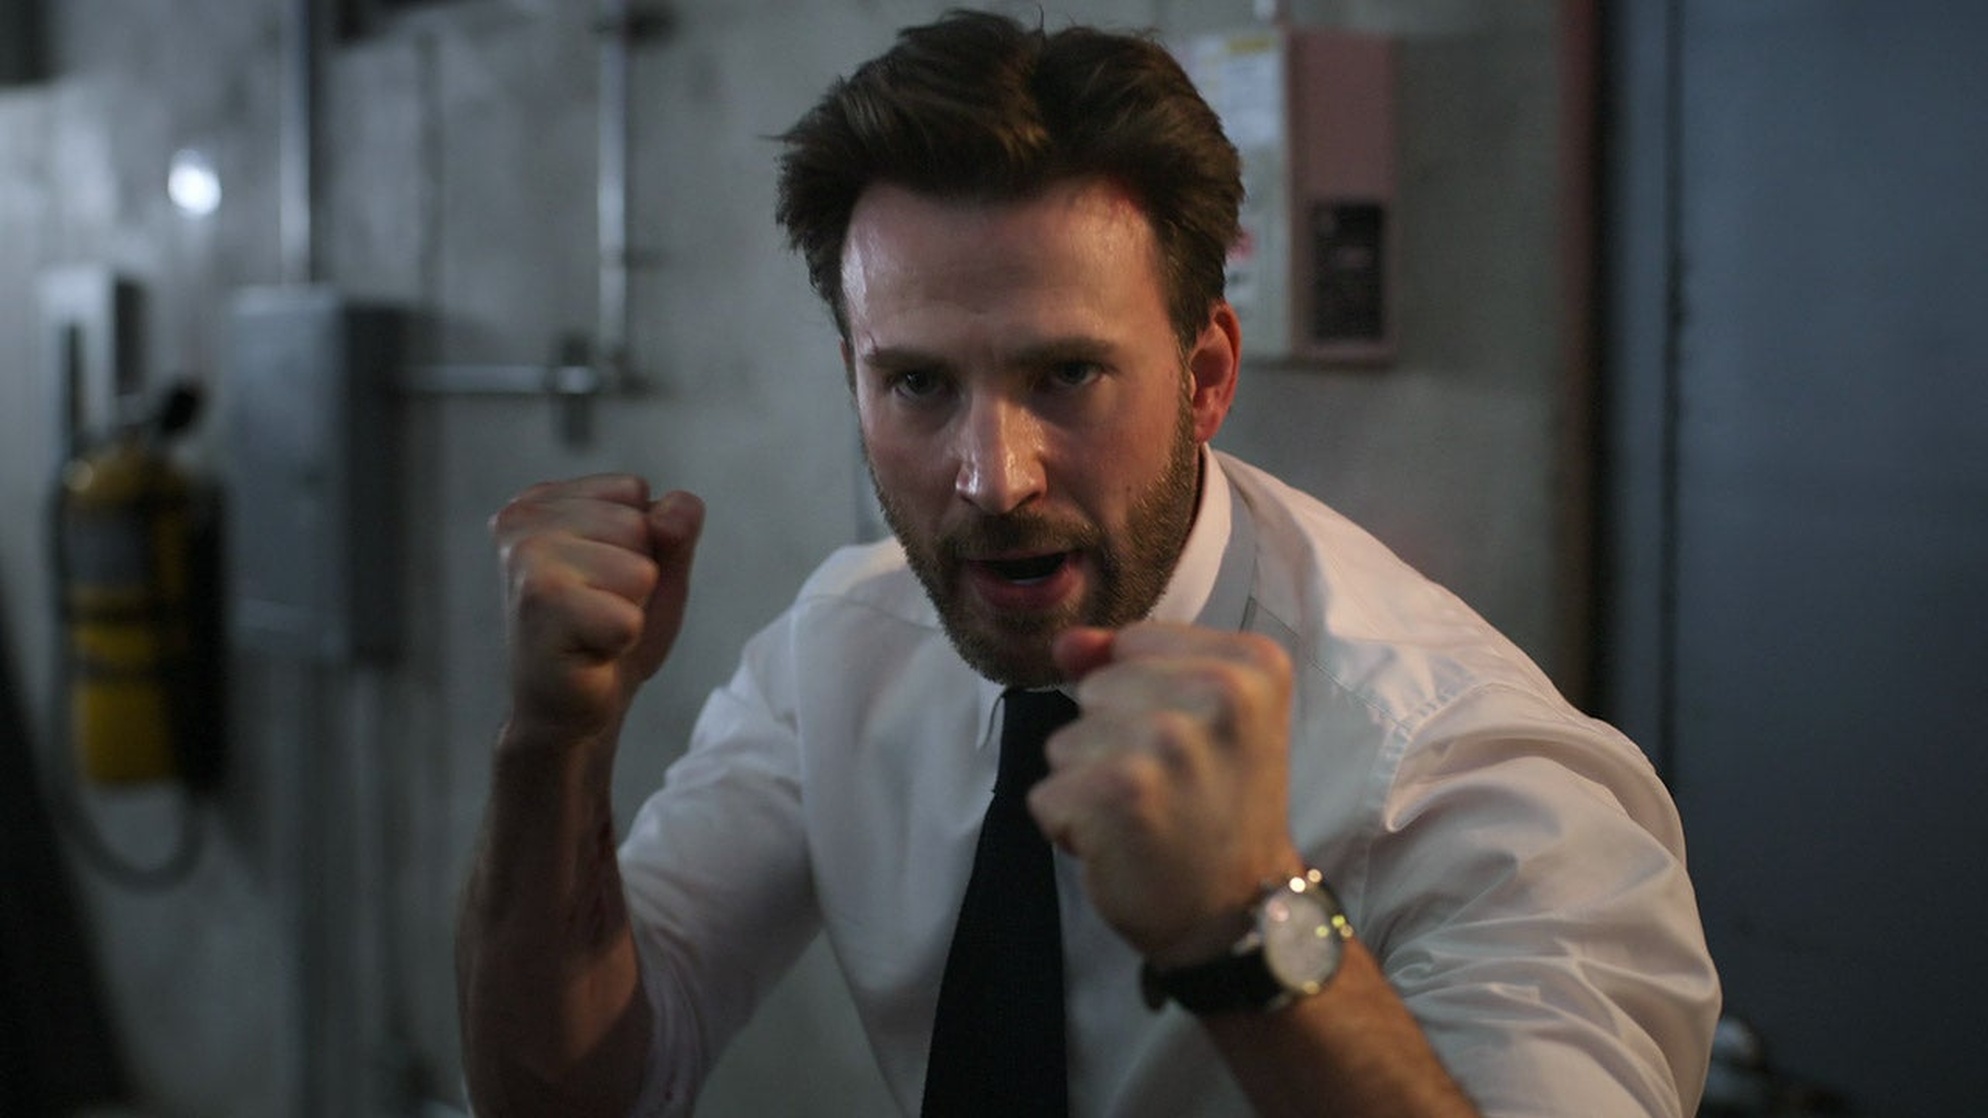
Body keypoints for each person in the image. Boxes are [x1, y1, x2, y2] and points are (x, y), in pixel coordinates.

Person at [455, 10, 1720, 1117]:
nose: (990, 477)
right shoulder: (844, 646)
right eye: (916, 383)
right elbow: (572, 1092)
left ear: (1204, 375)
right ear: (853, 380)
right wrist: (552, 745)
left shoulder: (1447, 763)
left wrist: (1252, 928)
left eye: (1065, 373)